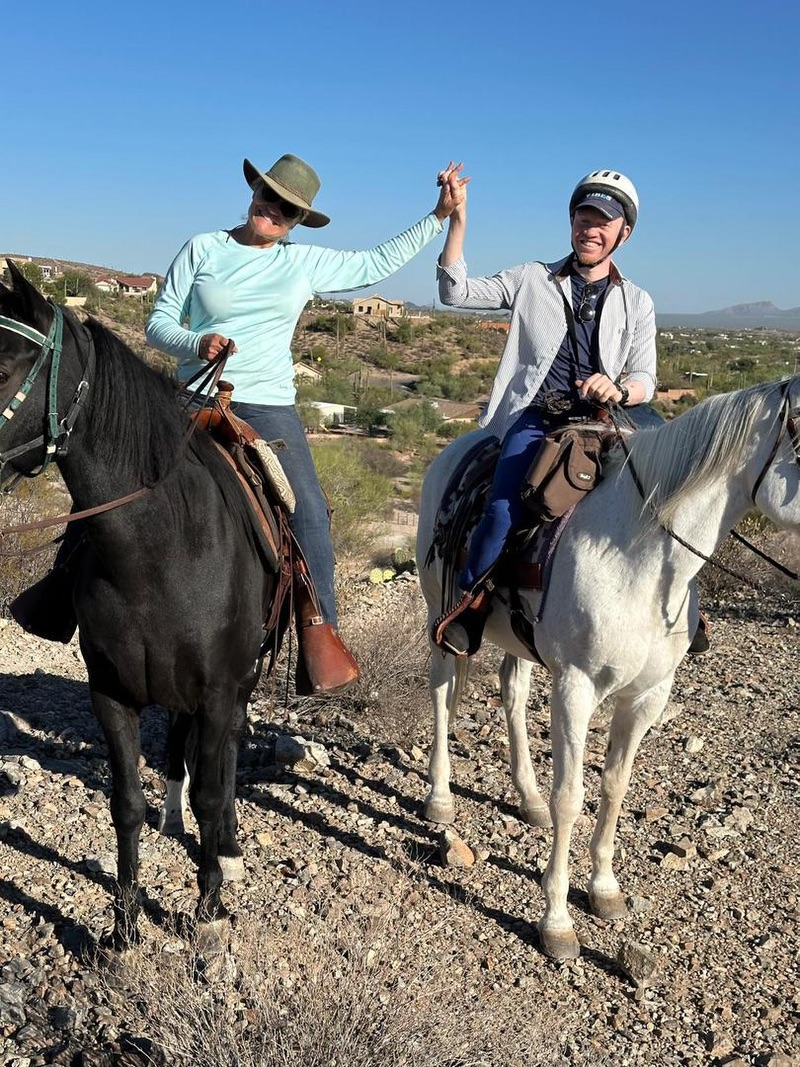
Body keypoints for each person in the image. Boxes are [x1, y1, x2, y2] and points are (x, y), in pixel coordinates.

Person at [145, 153, 468, 692]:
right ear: (254, 194)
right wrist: (195, 342)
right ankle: (67, 594)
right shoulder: (204, 247)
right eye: (269, 198)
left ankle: (321, 636)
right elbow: (158, 321)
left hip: (266, 404)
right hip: (194, 393)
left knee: (311, 514)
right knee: (122, 479)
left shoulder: (302, 263)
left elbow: (375, 262)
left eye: (288, 210)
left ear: (297, 221)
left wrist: (437, 216)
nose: (274, 211)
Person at [433, 169, 659, 656]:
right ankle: (470, 605)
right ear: (572, 221)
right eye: (583, 217)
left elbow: (646, 377)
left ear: (625, 232)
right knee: (503, 509)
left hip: (606, 420)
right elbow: (456, 293)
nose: (590, 229)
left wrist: (619, 388)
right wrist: (458, 221)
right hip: (541, 417)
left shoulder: (636, 301)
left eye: (604, 221)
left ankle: (683, 605)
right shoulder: (532, 279)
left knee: (671, 485)